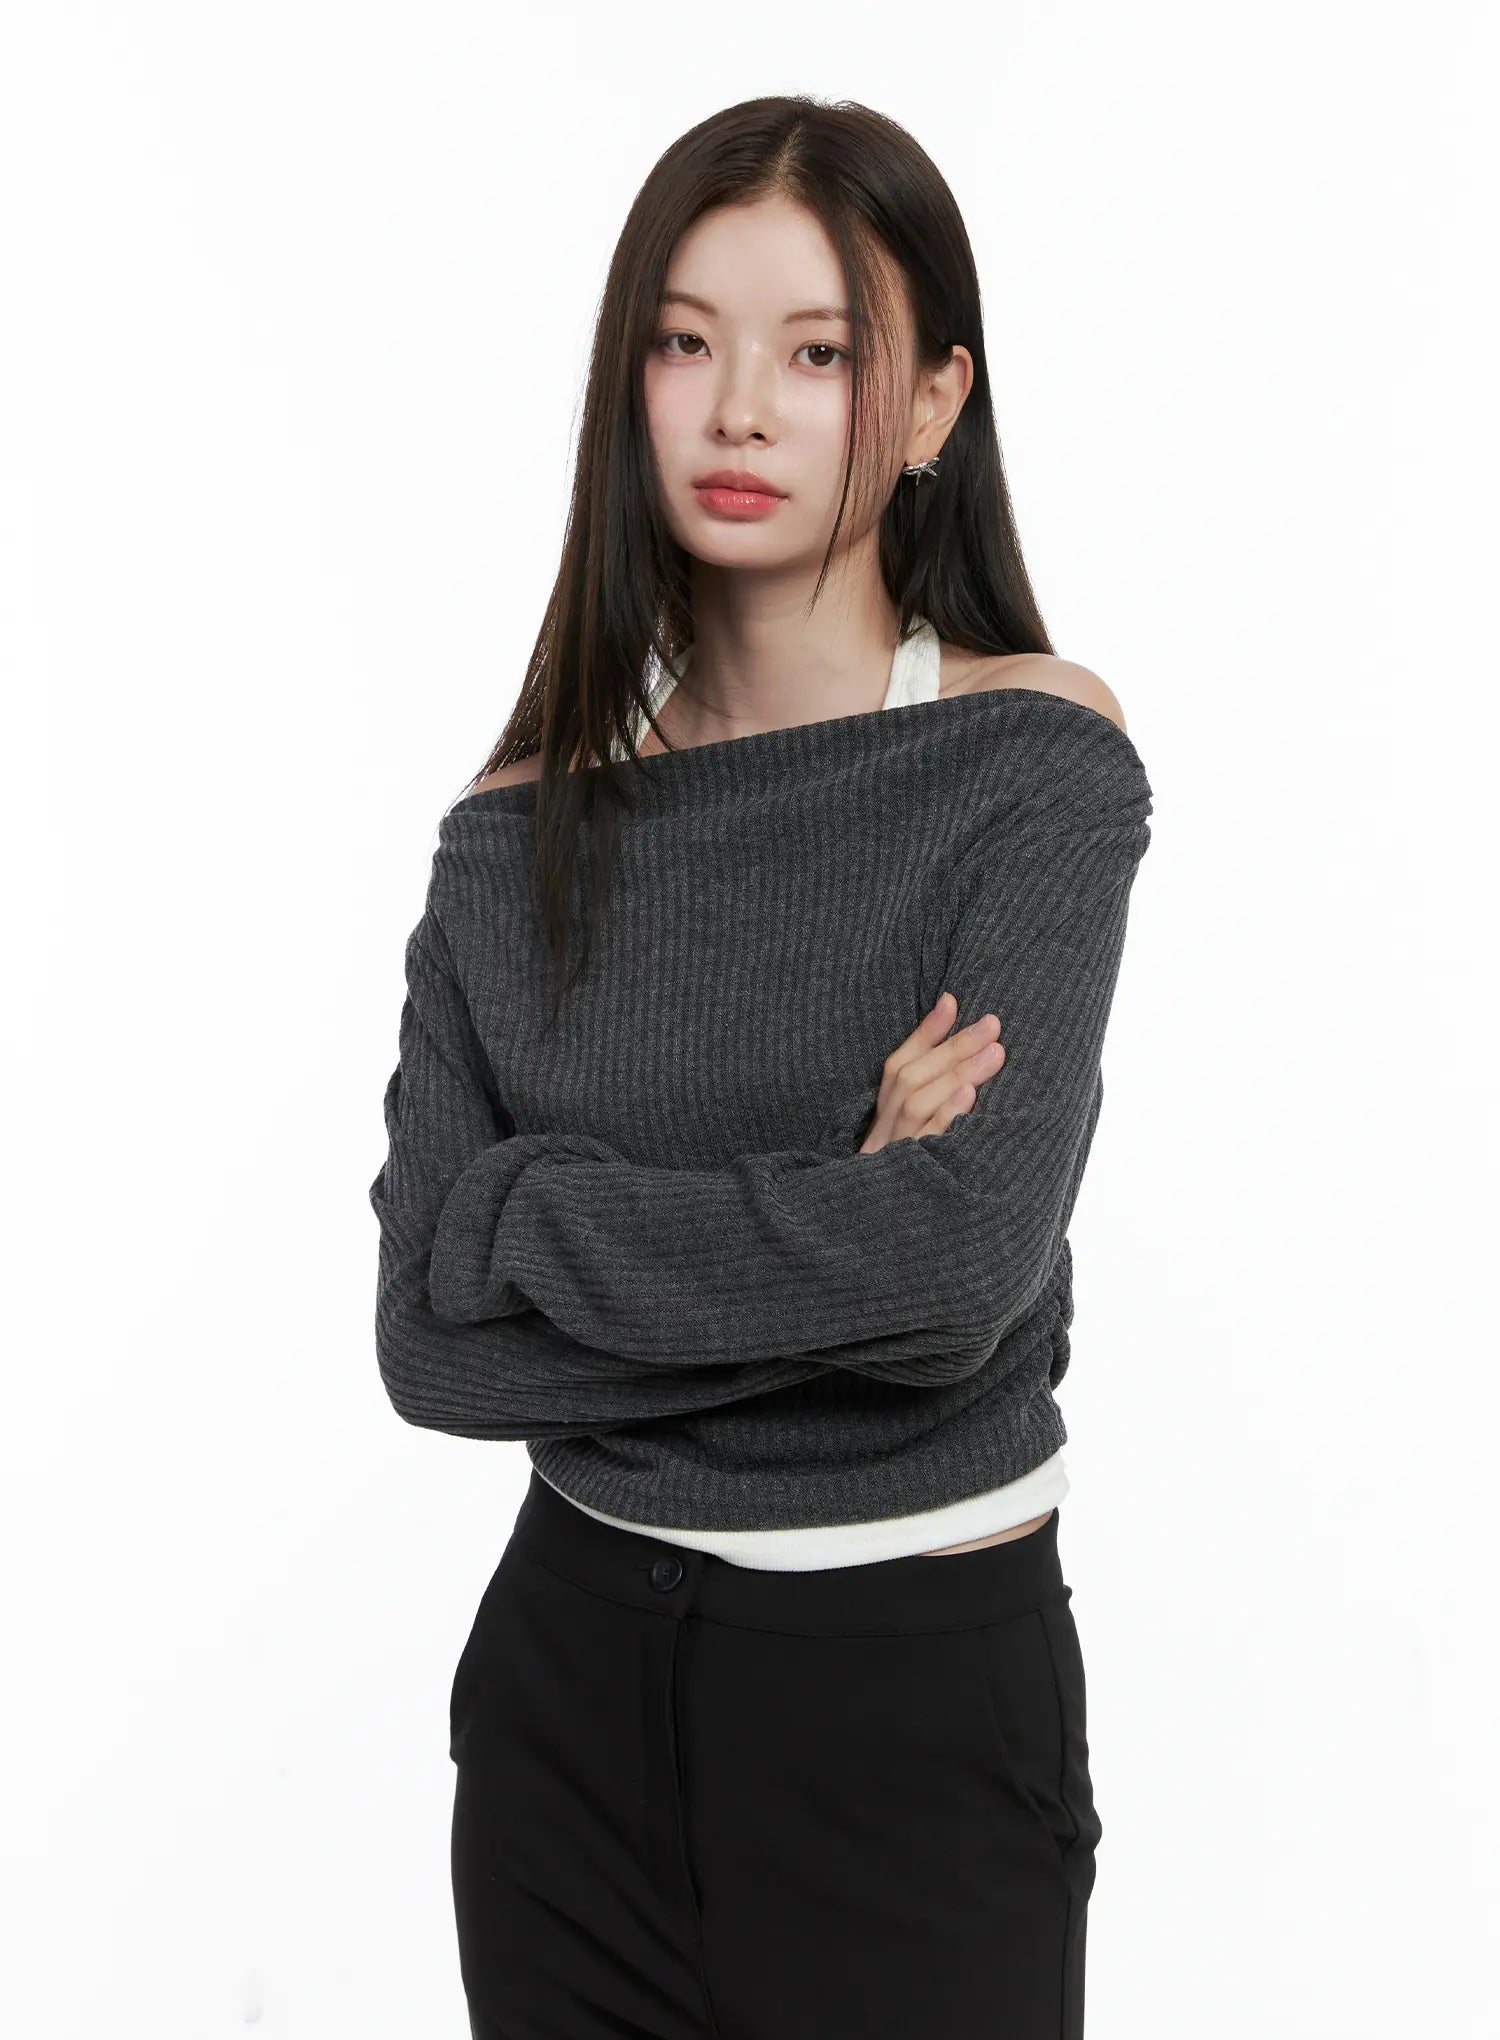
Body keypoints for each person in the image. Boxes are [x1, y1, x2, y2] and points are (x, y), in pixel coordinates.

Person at [369, 92, 1155, 2040]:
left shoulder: (1032, 765)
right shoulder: (513, 830)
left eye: (819, 355)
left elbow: (954, 1279)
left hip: (911, 1707)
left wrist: (535, 1220)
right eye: (685, 341)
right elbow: (430, 1349)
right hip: (569, 1705)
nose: (739, 411)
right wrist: (837, 1213)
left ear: (933, 402)